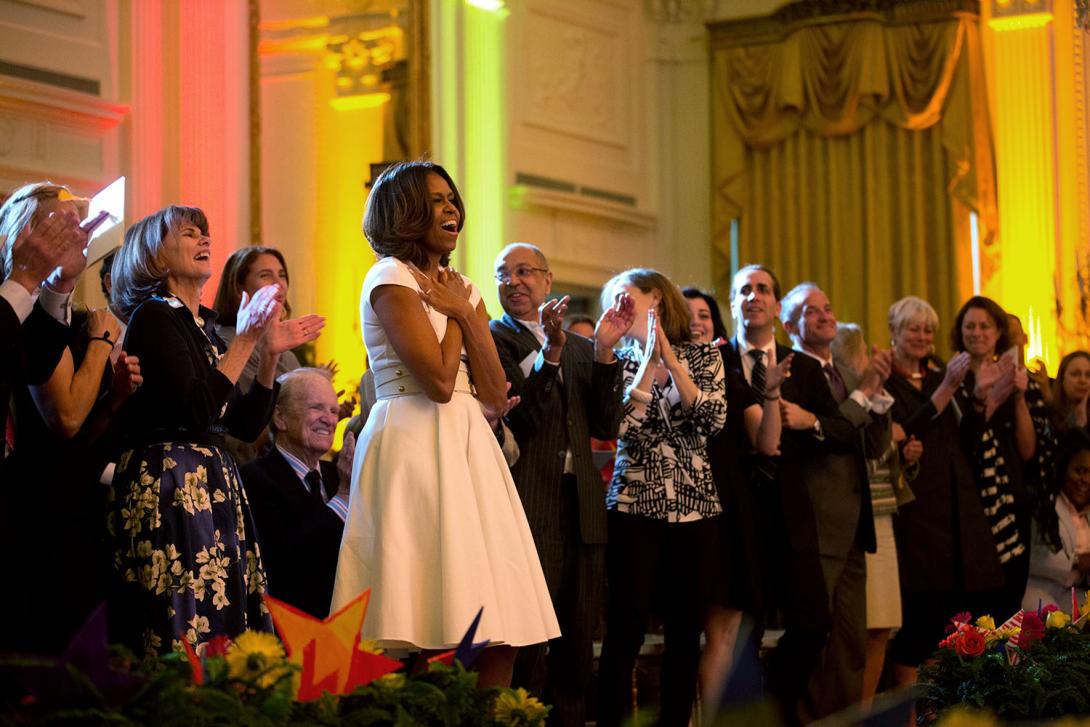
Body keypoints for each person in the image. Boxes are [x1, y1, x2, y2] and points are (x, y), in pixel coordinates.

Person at [330, 161, 558, 688]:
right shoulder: (388, 275)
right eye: (436, 200)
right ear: (404, 211)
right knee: (427, 606)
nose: (451, 207)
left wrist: (460, 307)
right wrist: (460, 315)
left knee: (498, 618)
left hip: (469, 443)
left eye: (452, 198)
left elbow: (498, 394)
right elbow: (434, 379)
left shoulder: (461, 286)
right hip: (411, 437)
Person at [106, 205, 325, 657]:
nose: (205, 240)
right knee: (183, 623)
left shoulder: (202, 327)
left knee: (221, 623)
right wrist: (245, 340)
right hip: (173, 484)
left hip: (212, 484)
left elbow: (242, 425)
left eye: (206, 232)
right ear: (154, 255)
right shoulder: (154, 316)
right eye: (189, 233)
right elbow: (194, 411)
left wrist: (267, 356)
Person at [489, 242, 631, 727]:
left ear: (549, 282)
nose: (514, 281)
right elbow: (524, 418)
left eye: (524, 271)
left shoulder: (580, 346)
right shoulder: (491, 340)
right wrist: (548, 354)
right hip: (531, 505)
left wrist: (606, 351)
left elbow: (607, 425)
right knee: (527, 646)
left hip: (583, 509)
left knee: (576, 650)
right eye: (503, 274)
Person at [596, 268, 726, 727]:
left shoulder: (705, 357)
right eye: (611, 301)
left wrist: (672, 362)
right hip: (635, 505)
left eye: (626, 298)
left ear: (657, 301)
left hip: (696, 509)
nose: (618, 307)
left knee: (685, 633)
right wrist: (649, 365)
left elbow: (712, 420)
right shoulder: (616, 362)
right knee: (625, 628)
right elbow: (622, 430)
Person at [718, 266, 849, 724]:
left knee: (814, 624)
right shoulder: (720, 360)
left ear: (776, 307)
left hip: (795, 511)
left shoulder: (805, 366)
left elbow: (843, 430)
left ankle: (774, 708)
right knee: (743, 634)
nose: (753, 297)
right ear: (733, 304)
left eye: (763, 290)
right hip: (738, 512)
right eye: (743, 291)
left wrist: (809, 420)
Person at [0, 183, 111, 654]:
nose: (69, 238)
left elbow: (39, 360)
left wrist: (58, 284)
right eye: (54, 228)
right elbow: (63, 414)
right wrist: (29, 277)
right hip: (34, 506)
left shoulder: (52, 314)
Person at [779, 284, 889, 720]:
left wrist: (876, 394)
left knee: (851, 641)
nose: (826, 316)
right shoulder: (792, 371)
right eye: (811, 311)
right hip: (818, 523)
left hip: (856, 523)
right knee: (816, 639)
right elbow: (828, 435)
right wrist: (861, 397)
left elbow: (868, 442)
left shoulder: (843, 369)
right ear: (789, 325)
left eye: (829, 307)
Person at [884, 296, 1004, 688]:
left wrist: (981, 397)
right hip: (916, 517)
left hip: (957, 514)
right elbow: (900, 431)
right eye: (913, 329)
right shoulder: (886, 380)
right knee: (919, 625)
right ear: (894, 332)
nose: (922, 337)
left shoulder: (939, 377)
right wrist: (948, 388)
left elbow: (967, 440)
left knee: (959, 622)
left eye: (928, 330)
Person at [693, 286, 788, 711]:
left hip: (729, 503)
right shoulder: (653, 368)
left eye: (705, 316)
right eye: (688, 314)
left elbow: (766, 443)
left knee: (727, 631)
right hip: (682, 506)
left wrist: (770, 393)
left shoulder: (730, 374)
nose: (697, 322)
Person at [831, 322, 921, 706]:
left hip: (883, 516)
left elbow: (881, 456)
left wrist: (903, 453)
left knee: (881, 626)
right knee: (856, 631)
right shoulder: (841, 392)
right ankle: (852, 713)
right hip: (854, 521)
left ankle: (867, 712)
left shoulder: (876, 393)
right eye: (866, 351)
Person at [241, 368, 353, 618]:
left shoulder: (338, 474)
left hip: (345, 623)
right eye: (316, 408)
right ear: (280, 417)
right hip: (288, 633)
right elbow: (288, 561)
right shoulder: (255, 478)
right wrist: (344, 498)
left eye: (334, 411)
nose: (329, 419)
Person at [951, 296, 1036, 616]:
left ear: (999, 331)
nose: (977, 333)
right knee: (977, 609)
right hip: (972, 502)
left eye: (985, 326)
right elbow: (963, 443)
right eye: (969, 326)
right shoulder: (951, 378)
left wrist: (1018, 397)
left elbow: (1027, 451)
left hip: (1011, 497)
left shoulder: (1011, 374)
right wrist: (985, 399)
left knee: (1010, 604)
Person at [1024, 429, 1090, 609]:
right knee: (1054, 623)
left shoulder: (1087, 515)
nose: (1085, 480)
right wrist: (1077, 562)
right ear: (1063, 468)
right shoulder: (1044, 505)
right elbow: (1028, 557)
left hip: (1070, 592)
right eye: (1079, 470)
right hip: (1036, 590)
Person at [1050, 351, 1089, 434]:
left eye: (1088, 375)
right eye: (1075, 374)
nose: (1083, 380)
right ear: (1062, 380)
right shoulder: (1048, 416)